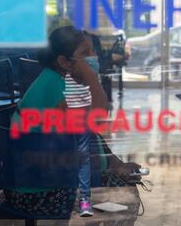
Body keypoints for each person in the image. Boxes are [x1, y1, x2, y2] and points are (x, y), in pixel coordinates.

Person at [6, 26, 108, 218]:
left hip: (43, 182)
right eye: (86, 53)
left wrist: (112, 162)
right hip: (37, 194)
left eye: (93, 50)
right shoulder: (55, 86)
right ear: (63, 61)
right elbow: (99, 111)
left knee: (116, 178)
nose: (93, 57)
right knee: (118, 189)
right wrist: (90, 76)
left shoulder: (58, 79)